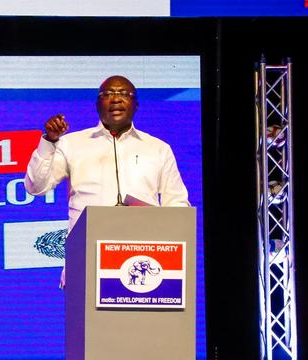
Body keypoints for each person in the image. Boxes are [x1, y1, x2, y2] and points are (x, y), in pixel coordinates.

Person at [24, 75, 190, 286]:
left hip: (146, 265)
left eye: (124, 94)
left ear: (136, 105)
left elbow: (177, 206)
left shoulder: (158, 149)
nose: (116, 99)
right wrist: (49, 141)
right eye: (108, 94)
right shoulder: (72, 144)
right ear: (97, 104)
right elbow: (35, 187)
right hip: (86, 264)